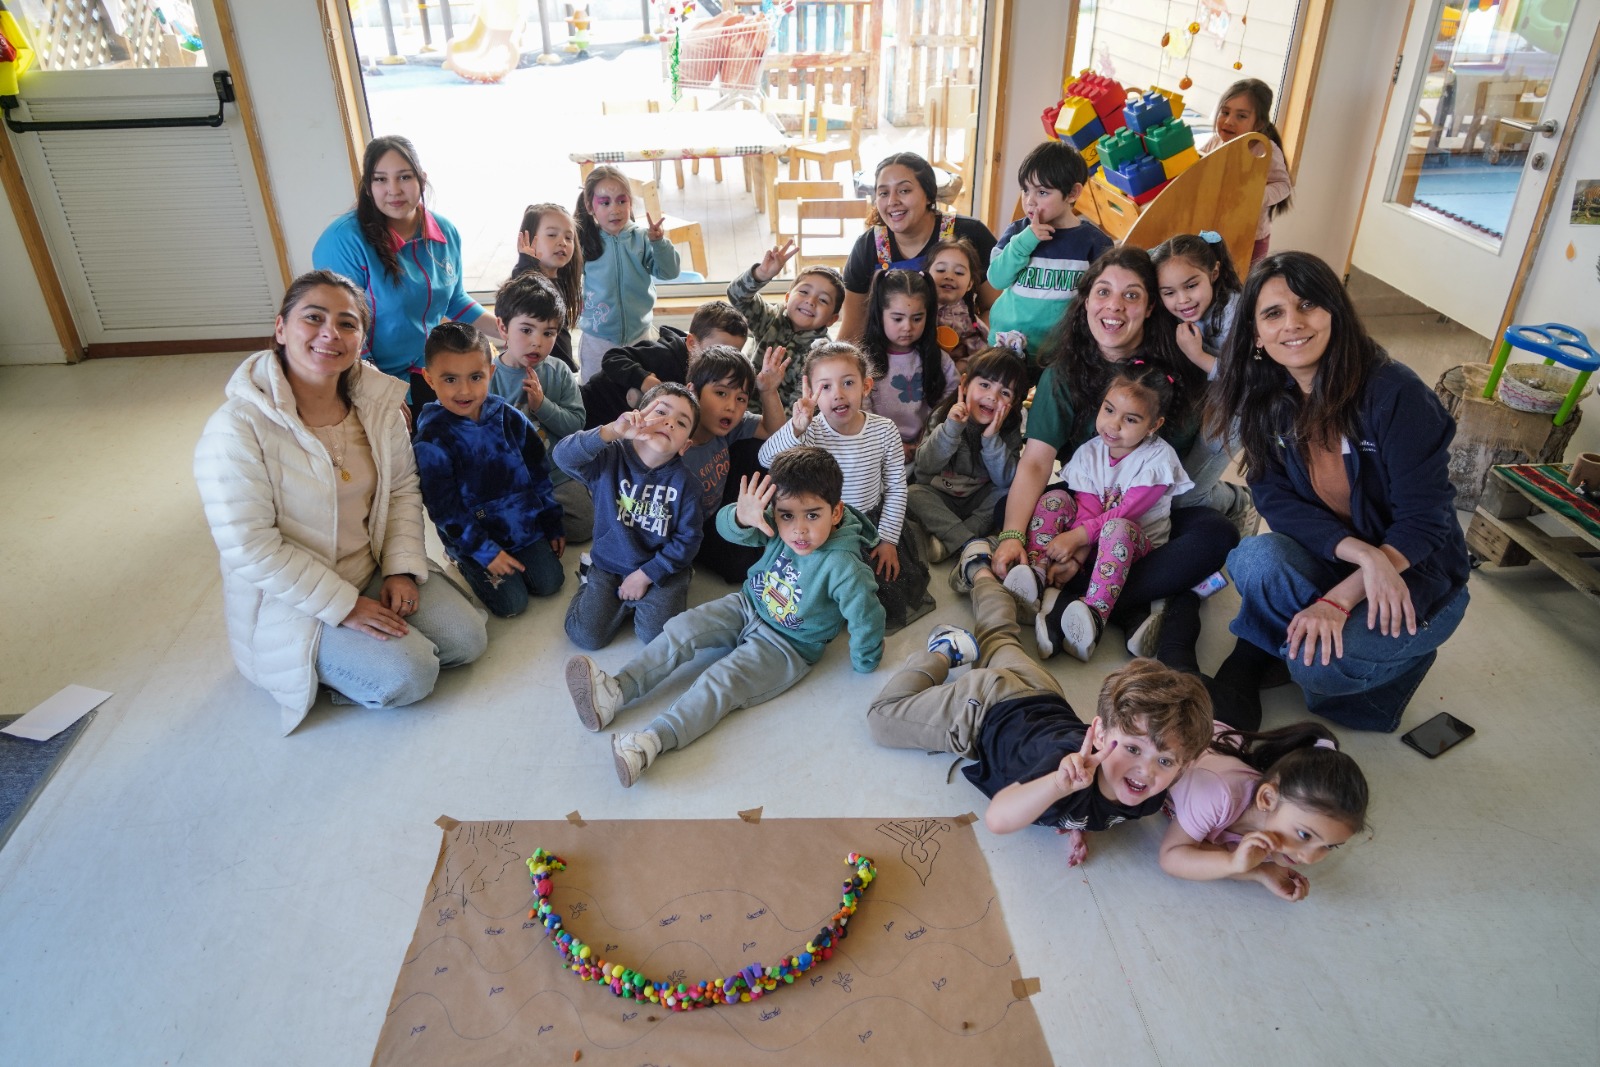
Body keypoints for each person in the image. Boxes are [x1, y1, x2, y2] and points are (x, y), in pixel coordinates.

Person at [194, 270, 487, 735]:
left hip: (368, 567)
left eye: (348, 324)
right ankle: (321, 675)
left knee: (466, 641)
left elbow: (402, 489)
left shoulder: (376, 402)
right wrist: (344, 605)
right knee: (412, 674)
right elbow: (249, 547)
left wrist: (399, 568)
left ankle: (374, 641)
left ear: (360, 339)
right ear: (280, 328)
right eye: (314, 317)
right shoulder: (235, 428)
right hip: (294, 601)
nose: (331, 333)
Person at [1204, 251, 1470, 733]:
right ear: (1257, 335)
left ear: (1336, 312)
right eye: (1273, 313)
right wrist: (1361, 559)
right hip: (1345, 559)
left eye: (1308, 306)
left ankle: (1355, 659)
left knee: (1316, 669)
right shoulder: (1265, 394)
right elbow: (1275, 500)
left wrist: (1347, 592)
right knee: (1254, 559)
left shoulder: (1396, 394)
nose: (1293, 325)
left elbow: (1425, 519)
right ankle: (1275, 645)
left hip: (1417, 571)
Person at [867, 545, 1213, 867]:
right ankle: (945, 649)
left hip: (1041, 691)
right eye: (1134, 748)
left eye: (1165, 760)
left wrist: (1076, 821)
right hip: (983, 710)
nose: (1147, 771)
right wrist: (1058, 789)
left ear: (1182, 767)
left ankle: (981, 570)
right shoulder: (1062, 767)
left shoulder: (1150, 796)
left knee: (998, 635)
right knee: (882, 719)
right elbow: (999, 818)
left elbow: (1096, 802)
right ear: (1098, 733)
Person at [564, 449, 884, 786]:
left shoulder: (845, 566)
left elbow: (866, 614)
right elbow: (726, 529)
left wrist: (866, 661)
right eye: (787, 516)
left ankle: (649, 743)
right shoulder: (779, 523)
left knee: (721, 681)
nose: (798, 530)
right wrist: (743, 517)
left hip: (789, 645)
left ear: (836, 513)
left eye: (813, 516)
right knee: (681, 629)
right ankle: (614, 691)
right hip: (747, 605)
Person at [989, 247, 1238, 672]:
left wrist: (1081, 546)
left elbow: (1169, 483)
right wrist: (1013, 533)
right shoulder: (1064, 372)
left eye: (1132, 296)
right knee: (1004, 509)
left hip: (1147, 515)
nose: (1114, 307)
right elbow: (1035, 463)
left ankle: (1067, 591)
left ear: (1150, 307)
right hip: (1085, 501)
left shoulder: (1174, 374)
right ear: (1085, 299)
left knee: (1217, 535)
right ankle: (1140, 605)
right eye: (1103, 292)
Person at [1009, 362, 1194, 663]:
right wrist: (1075, 556)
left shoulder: (1159, 460)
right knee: (1055, 498)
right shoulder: (1090, 451)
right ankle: (1038, 571)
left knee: (1117, 527)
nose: (1113, 425)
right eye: (1108, 410)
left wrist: (1076, 541)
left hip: (1135, 547)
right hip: (1092, 538)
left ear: (1153, 426)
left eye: (1130, 419)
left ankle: (1094, 613)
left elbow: (1127, 512)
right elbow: (1089, 506)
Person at [311, 136, 501, 415]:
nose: (394, 190)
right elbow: (340, 328)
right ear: (367, 187)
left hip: (430, 370)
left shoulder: (445, 232)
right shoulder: (343, 241)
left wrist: (505, 330)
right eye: (380, 180)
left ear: (422, 180)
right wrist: (378, 389)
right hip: (367, 373)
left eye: (404, 177)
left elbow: (455, 300)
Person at [759, 343, 932, 633]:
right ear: (810, 392)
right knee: (808, 590)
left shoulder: (884, 430)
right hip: (822, 525)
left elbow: (897, 489)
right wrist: (796, 428)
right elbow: (766, 458)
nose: (837, 393)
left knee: (880, 584)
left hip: (869, 525)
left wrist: (888, 540)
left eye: (848, 383)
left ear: (865, 386)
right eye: (824, 387)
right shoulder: (810, 429)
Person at [413, 321, 565, 618]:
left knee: (550, 583)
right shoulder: (432, 439)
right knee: (512, 605)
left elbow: (538, 472)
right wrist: (483, 551)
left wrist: (551, 519)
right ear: (430, 379)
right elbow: (446, 511)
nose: (465, 390)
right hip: (475, 538)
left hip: (522, 526)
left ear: (490, 373)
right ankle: (463, 561)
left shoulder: (509, 417)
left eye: (475, 377)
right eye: (450, 379)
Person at [552, 383, 703, 650]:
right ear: (639, 414)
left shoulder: (686, 484)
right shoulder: (609, 458)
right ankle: (594, 585)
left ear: (685, 445)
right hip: (610, 565)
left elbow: (688, 539)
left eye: (681, 423)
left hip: (661, 569)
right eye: (661, 412)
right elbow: (562, 457)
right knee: (585, 636)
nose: (669, 423)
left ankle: (646, 595)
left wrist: (647, 575)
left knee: (656, 637)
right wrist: (611, 432)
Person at [1160, 722, 1368, 902]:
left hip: (1226, 741)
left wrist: (1260, 870)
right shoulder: (1218, 795)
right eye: (1305, 835)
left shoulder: (1280, 831)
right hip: (1202, 723)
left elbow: (1205, 850)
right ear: (1267, 798)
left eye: (1329, 846)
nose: (1309, 858)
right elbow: (1173, 856)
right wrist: (1232, 863)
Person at [1152, 231, 1257, 531]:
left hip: (1233, 410)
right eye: (1168, 292)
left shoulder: (1236, 311)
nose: (1182, 300)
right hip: (1197, 402)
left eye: (1191, 286)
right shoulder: (1172, 309)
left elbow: (1251, 378)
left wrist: (1198, 356)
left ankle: (1240, 501)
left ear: (1214, 272)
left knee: (1184, 497)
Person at [838, 153, 999, 342]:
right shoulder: (868, 247)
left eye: (904, 191)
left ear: (929, 195)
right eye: (883, 193)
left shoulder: (971, 234)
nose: (892, 201)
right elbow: (852, 330)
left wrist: (974, 347)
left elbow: (997, 308)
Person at [985, 140, 1114, 372]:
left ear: (1073, 193)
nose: (1029, 201)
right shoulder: (1017, 233)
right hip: (1007, 345)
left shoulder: (1094, 242)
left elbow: (1102, 298)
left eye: (1042, 192)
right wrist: (1025, 242)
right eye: (1026, 190)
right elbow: (996, 278)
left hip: (1061, 352)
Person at [488, 271, 593, 543]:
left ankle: (533, 524)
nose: (537, 341)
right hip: (510, 480)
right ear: (503, 328)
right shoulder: (488, 376)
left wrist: (542, 406)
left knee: (585, 523)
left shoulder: (558, 371)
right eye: (526, 330)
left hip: (556, 474)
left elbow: (576, 425)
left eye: (548, 333)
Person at [681, 344, 791, 583]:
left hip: (721, 508)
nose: (731, 406)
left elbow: (775, 432)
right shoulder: (674, 440)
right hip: (689, 528)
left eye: (741, 398)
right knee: (740, 566)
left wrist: (768, 391)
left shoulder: (725, 427)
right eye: (721, 393)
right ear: (693, 393)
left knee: (762, 449)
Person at [907, 347, 1026, 562]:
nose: (992, 396)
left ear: (1014, 404)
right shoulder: (943, 415)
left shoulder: (1009, 429)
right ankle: (969, 543)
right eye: (985, 385)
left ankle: (952, 539)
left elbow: (1006, 480)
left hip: (978, 500)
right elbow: (924, 468)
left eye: (1005, 393)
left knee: (1011, 493)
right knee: (913, 493)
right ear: (964, 384)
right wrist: (951, 428)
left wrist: (991, 439)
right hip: (941, 495)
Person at [573, 164, 681, 382]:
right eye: (605, 202)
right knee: (595, 394)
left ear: (631, 202)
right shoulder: (583, 241)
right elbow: (567, 280)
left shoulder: (641, 238)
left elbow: (670, 272)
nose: (615, 209)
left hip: (640, 335)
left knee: (640, 394)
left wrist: (658, 242)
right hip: (598, 339)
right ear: (590, 206)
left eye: (622, 201)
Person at [580, 300, 748, 430]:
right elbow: (612, 358)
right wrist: (644, 380)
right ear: (691, 342)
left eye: (734, 354)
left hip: (625, 425)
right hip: (591, 407)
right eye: (718, 350)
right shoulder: (664, 355)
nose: (727, 362)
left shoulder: (714, 377)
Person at [725, 240, 844, 412]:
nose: (810, 301)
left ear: (832, 320)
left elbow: (800, 411)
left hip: (777, 430)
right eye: (804, 292)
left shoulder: (821, 354)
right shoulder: (771, 318)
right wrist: (761, 274)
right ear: (787, 298)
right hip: (737, 411)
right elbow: (736, 297)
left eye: (823, 300)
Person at [860, 268, 957, 460]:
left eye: (917, 318)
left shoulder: (940, 359)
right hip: (876, 448)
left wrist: (928, 437)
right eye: (897, 318)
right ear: (880, 314)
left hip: (928, 446)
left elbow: (947, 402)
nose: (907, 327)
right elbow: (861, 410)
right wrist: (892, 445)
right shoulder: (863, 362)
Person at [1199, 79, 1293, 265]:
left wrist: (1256, 195)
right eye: (1225, 112)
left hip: (1250, 237)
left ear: (1258, 124)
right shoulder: (1215, 142)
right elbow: (1197, 169)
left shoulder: (1265, 150)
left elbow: (1283, 185)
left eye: (1241, 116)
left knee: (1243, 286)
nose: (1228, 121)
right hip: (1212, 230)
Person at [507, 201, 583, 371]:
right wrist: (526, 263)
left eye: (568, 237)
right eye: (551, 235)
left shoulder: (561, 281)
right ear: (528, 238)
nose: (562, 242)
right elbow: (525, 294)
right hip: (536, 373)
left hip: (559, 372)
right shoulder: (522, 280)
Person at [925, 237, 989, 372]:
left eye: (959, 272)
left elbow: (980, 350)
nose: (949, 276)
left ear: (970, 284)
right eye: (941, 270)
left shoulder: (967, 318)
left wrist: (961, 366)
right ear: (926, 275)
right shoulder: (918, 307)